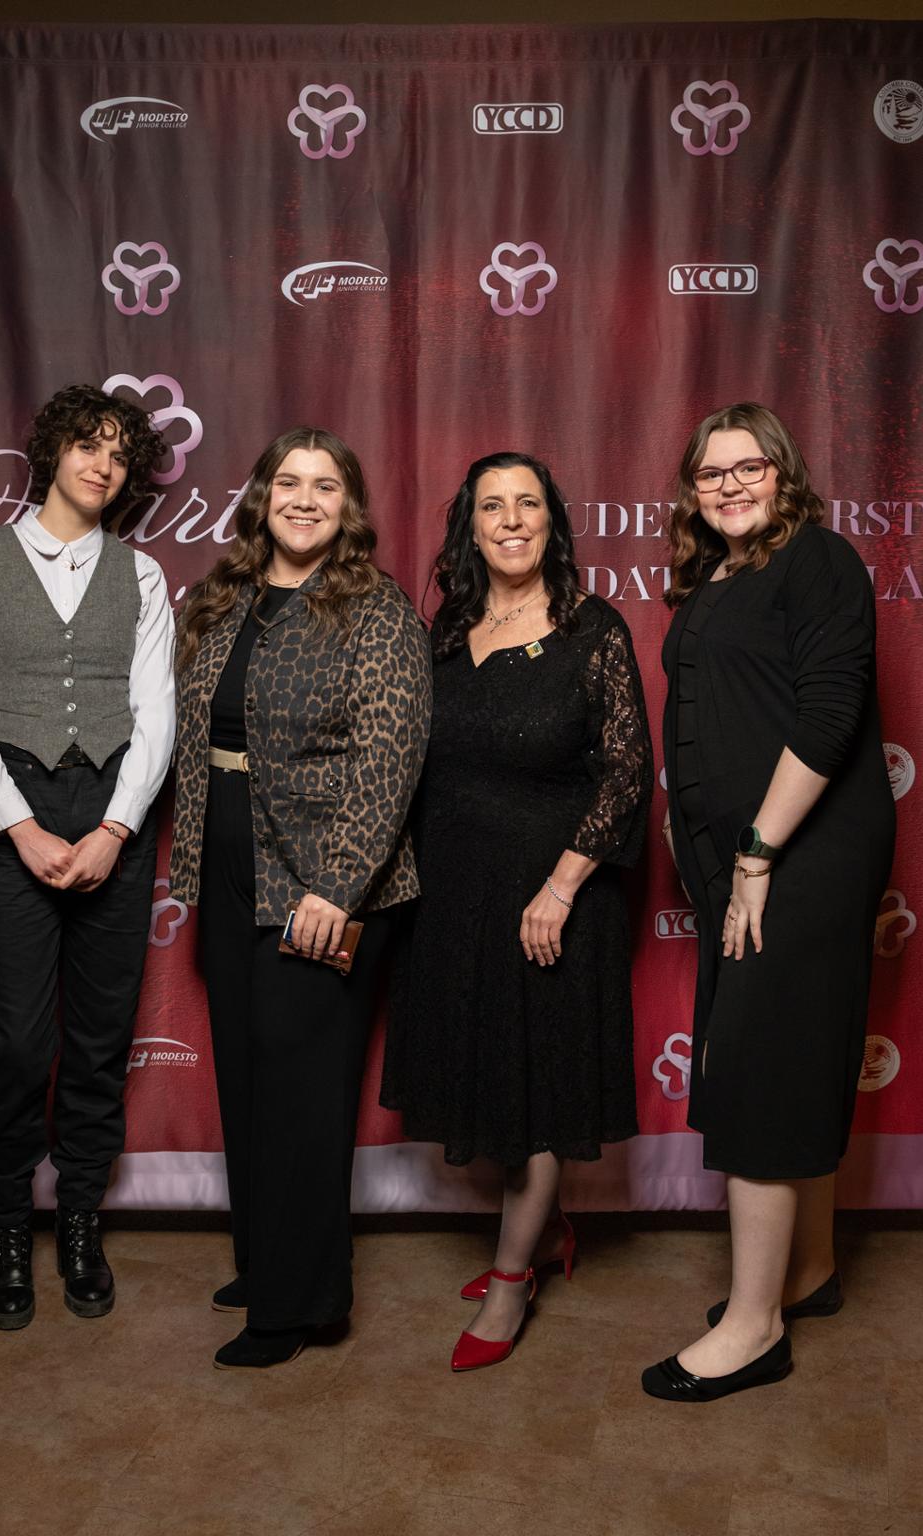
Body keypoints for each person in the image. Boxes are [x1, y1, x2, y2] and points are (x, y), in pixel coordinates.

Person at [644, 403, 895, 1402]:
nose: (731, 486)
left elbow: (831, 716)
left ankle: (755, 1328)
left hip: (801, 857)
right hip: (737, 862)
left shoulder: (819, 560)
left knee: (757, 1070)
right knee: (790, 1055)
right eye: (712, 474)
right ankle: (813, 1270)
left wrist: (754, 851)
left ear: (785, 475)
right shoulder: (718, 576)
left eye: (750, 468)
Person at [381, 451, 653, 1372]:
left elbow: (625, 777)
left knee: (536, 1093)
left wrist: (562, 887)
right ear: (470, 526)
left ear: (552, 522)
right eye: (490, 506)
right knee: (493, 1078)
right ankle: (542, 1238)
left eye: (526, 503)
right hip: (458, 898)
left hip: (552, 902)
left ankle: (507, 1285)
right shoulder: (447, 632)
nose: (509, 519)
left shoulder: (591, 629)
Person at [170, 426, 431, 1369]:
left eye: (327, 485)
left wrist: (339, 885)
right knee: (246, 1080)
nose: (306, 498)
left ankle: (299, 1304)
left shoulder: (377, 610)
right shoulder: (225, 597)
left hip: (323, 877)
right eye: (290, 481)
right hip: (231, 861)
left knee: (303, 1095)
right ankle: (268, 1259)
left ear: (348, 507)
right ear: (262, 496)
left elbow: (390, 755)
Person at [0, 383, 175, 1330]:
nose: (102, 465)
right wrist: (19, 826)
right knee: (23, 1040)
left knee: (101, 1038)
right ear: (53, 452)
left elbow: (154, 714)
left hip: (114, 810)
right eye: (88, 445)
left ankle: (78, 1222)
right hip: (13, 816)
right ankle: (6, 1228)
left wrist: (114, 829)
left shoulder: (142, 575)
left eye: (119, 454)